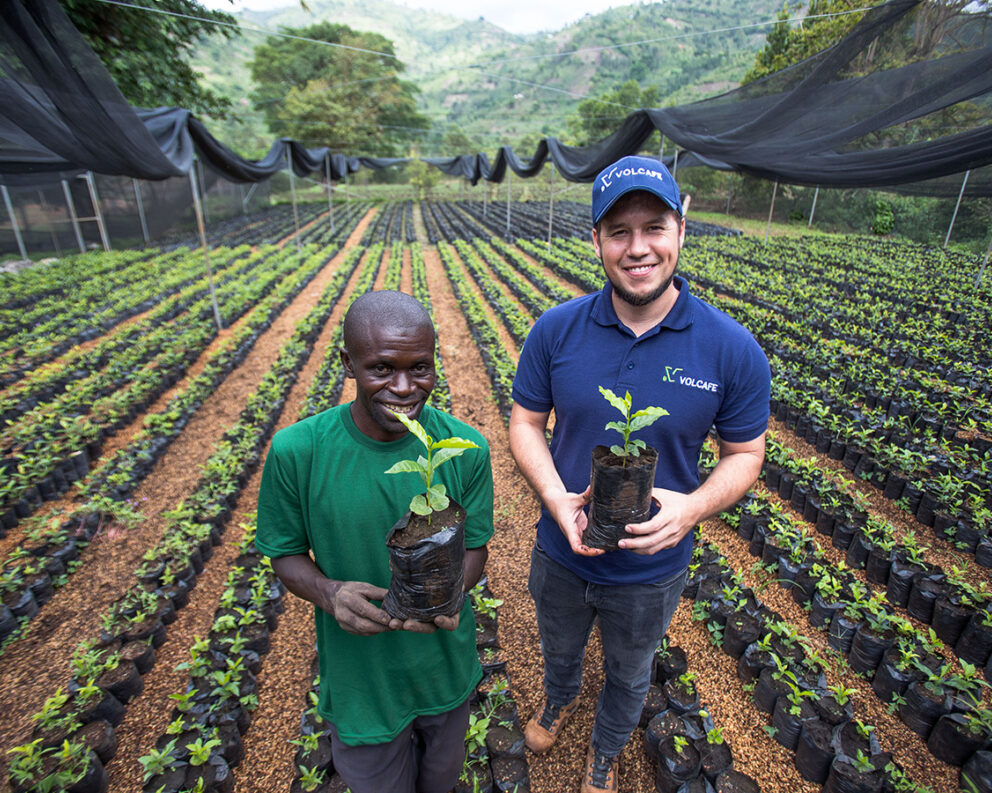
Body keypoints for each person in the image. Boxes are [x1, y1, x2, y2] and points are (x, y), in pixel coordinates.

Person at [509, 155, 770, 793]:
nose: (637, 248)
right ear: (596, 240)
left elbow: (746, 455)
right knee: (560, 647)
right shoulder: (556, 329)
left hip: (652, 571)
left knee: (630, 672)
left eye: (653, 226)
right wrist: (555, 497)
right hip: (562, 551)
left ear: (682, 228)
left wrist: (691, 510)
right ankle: (558, 700)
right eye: (618, 231)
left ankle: (604, 755)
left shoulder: (730, 348)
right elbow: (524, 423)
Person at [256, 290, 494, 793]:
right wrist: (329, 593)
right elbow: (284, 552)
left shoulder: (464, 448)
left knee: (442, 779)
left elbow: (474, 548)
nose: (405, 387)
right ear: (348, 363)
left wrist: (451, 591)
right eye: (382, 368)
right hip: (361, 680)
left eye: (421, 368)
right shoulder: (298, 451)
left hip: (444, 669)